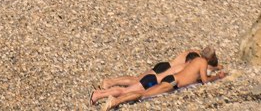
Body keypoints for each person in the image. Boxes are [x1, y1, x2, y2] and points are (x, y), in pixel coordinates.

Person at [91, 50, 223, 108]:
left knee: (134, 81)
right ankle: (103, 94)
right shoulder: (196, 62)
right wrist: (217, 73)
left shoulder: (190, 55)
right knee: (130, 90)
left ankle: (104, 91)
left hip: (161, 71)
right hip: (156, 78)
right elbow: (204, 75)